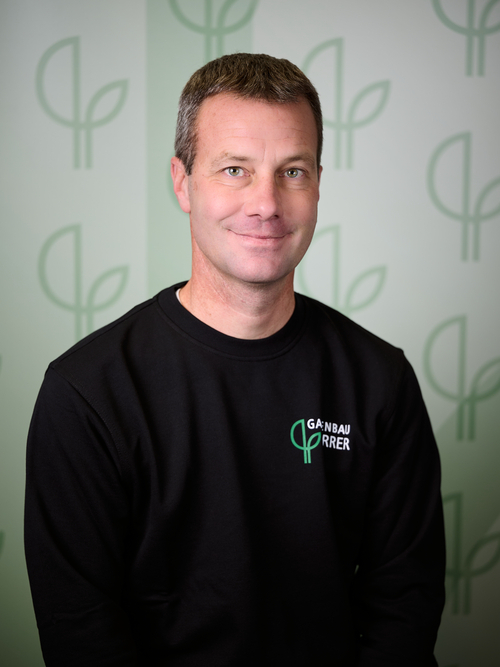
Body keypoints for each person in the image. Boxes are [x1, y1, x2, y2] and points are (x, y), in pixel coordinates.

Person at [25, 53, 445, 666]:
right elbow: (79, 632)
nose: (266, 203)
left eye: (292, 171)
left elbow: (404, 608)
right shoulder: (88, 392)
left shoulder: (380, 381)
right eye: (234, 170)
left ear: (318, 184)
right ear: (182, 182)